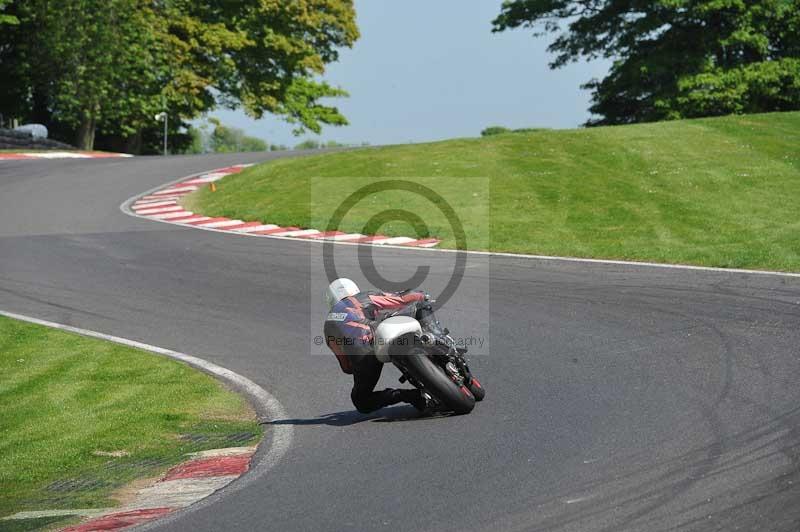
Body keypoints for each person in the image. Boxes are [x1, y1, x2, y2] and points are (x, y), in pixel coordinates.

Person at [323, 278, 436, 414]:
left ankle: (411, 396)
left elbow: (346, 367)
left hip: (362, 355)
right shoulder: (360, 297)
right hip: (380, 333)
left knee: (361, 401)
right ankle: (438, 338)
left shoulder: (328, 326)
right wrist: (422, 296)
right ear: (353, 290)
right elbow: (399, 298)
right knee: (421, 306)